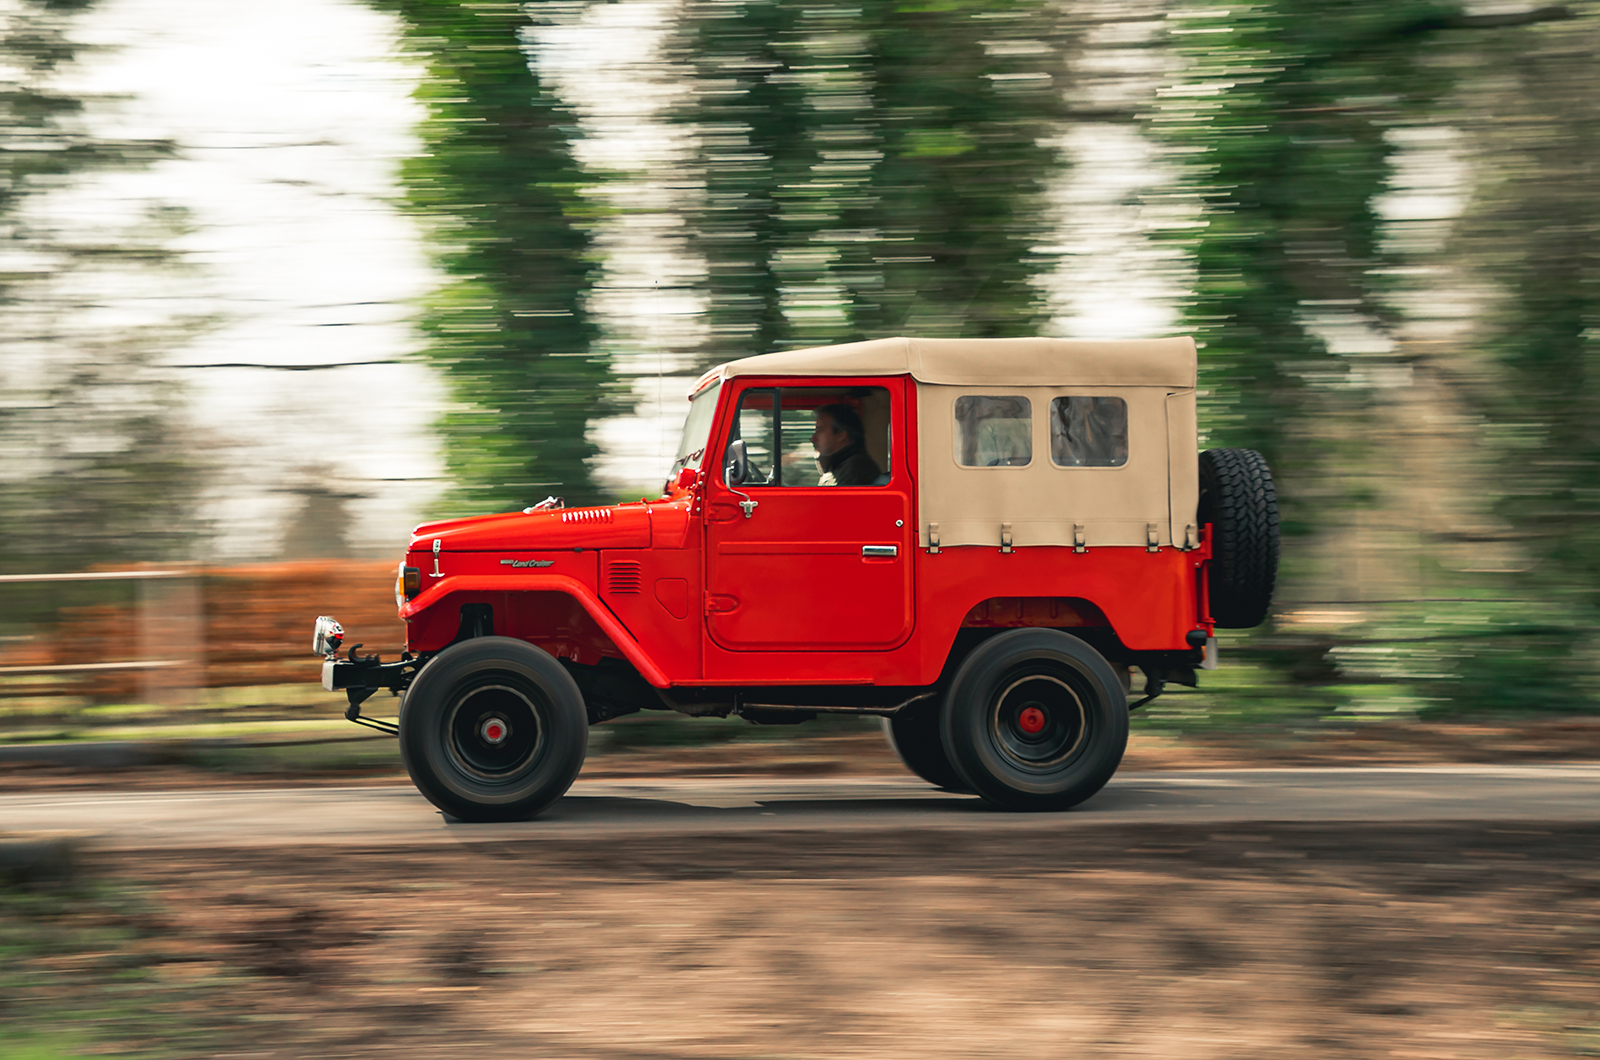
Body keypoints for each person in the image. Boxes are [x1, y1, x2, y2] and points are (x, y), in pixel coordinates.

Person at [812, 403, 881, 486]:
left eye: (820, 430)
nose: (813, 438)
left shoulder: (855, 470)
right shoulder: (840, 467)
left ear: (841, 435)